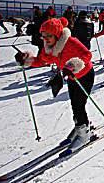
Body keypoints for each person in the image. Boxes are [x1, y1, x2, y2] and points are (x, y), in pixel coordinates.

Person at [14, 17, 95, 152]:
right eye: (43, 36)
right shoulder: (48, 47)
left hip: (85, 74)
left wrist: (73, 64)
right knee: (74, 104)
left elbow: (87, 55)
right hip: (71, 77)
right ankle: (81, 126)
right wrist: (27, 60)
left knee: (78, 104)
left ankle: (84, 133)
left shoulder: (71, 42)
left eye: (48, 36)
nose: (45, 39)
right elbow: (41, 60)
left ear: (57, 34)